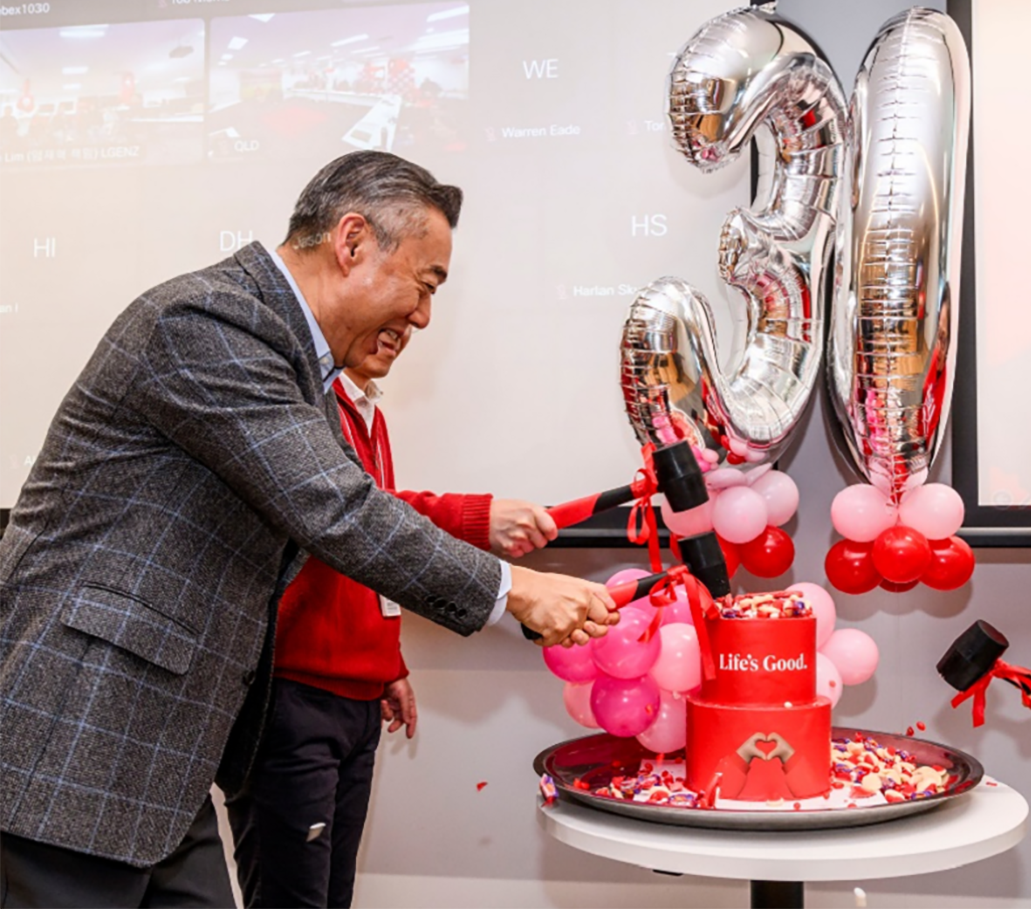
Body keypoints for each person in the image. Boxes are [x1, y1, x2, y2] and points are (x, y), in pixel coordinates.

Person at [0, 151, 616, 908]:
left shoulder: (295, 373)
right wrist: (508, 589)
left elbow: (337, 517)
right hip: (81, 731)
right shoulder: (210, 323)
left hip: (165, 749)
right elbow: (340, 509)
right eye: (424, 285)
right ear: (351, 241)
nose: (424, 316)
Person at [227, 321, 558, 909]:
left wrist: (386, 659)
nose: (413, 323)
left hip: (351, 696)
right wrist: (478, 519)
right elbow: (362, 516)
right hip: (291, 697)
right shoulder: (301, 402)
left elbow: (366, 554)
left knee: (332, 895)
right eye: (407, 295)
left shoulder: (367, 412)